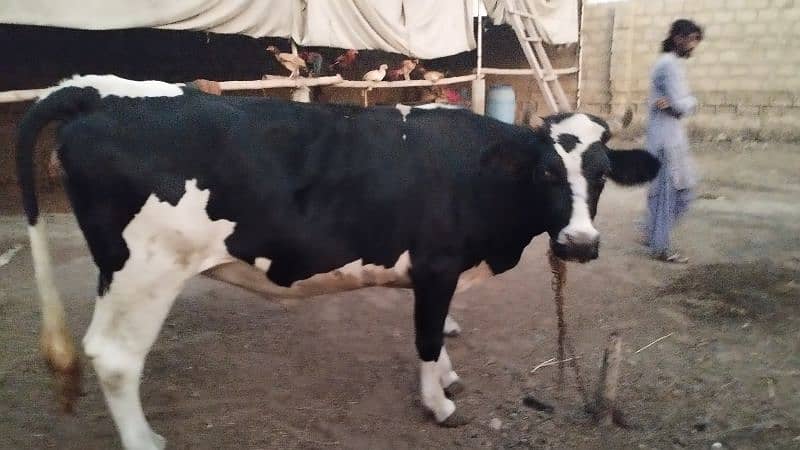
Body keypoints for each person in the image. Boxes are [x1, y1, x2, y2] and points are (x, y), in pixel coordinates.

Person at [641, 19, 704, 264]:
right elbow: (679, 105)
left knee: (672, 193)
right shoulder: (669, 66)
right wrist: (691, 102)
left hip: (668, 139)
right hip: (666, 142)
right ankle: (660, 246)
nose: (693, 46)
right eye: (691, 40)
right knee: (674, 195)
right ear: (678, 38)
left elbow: (674, 106)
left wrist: (679, 104)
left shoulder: (670, 64)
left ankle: (652, 232)